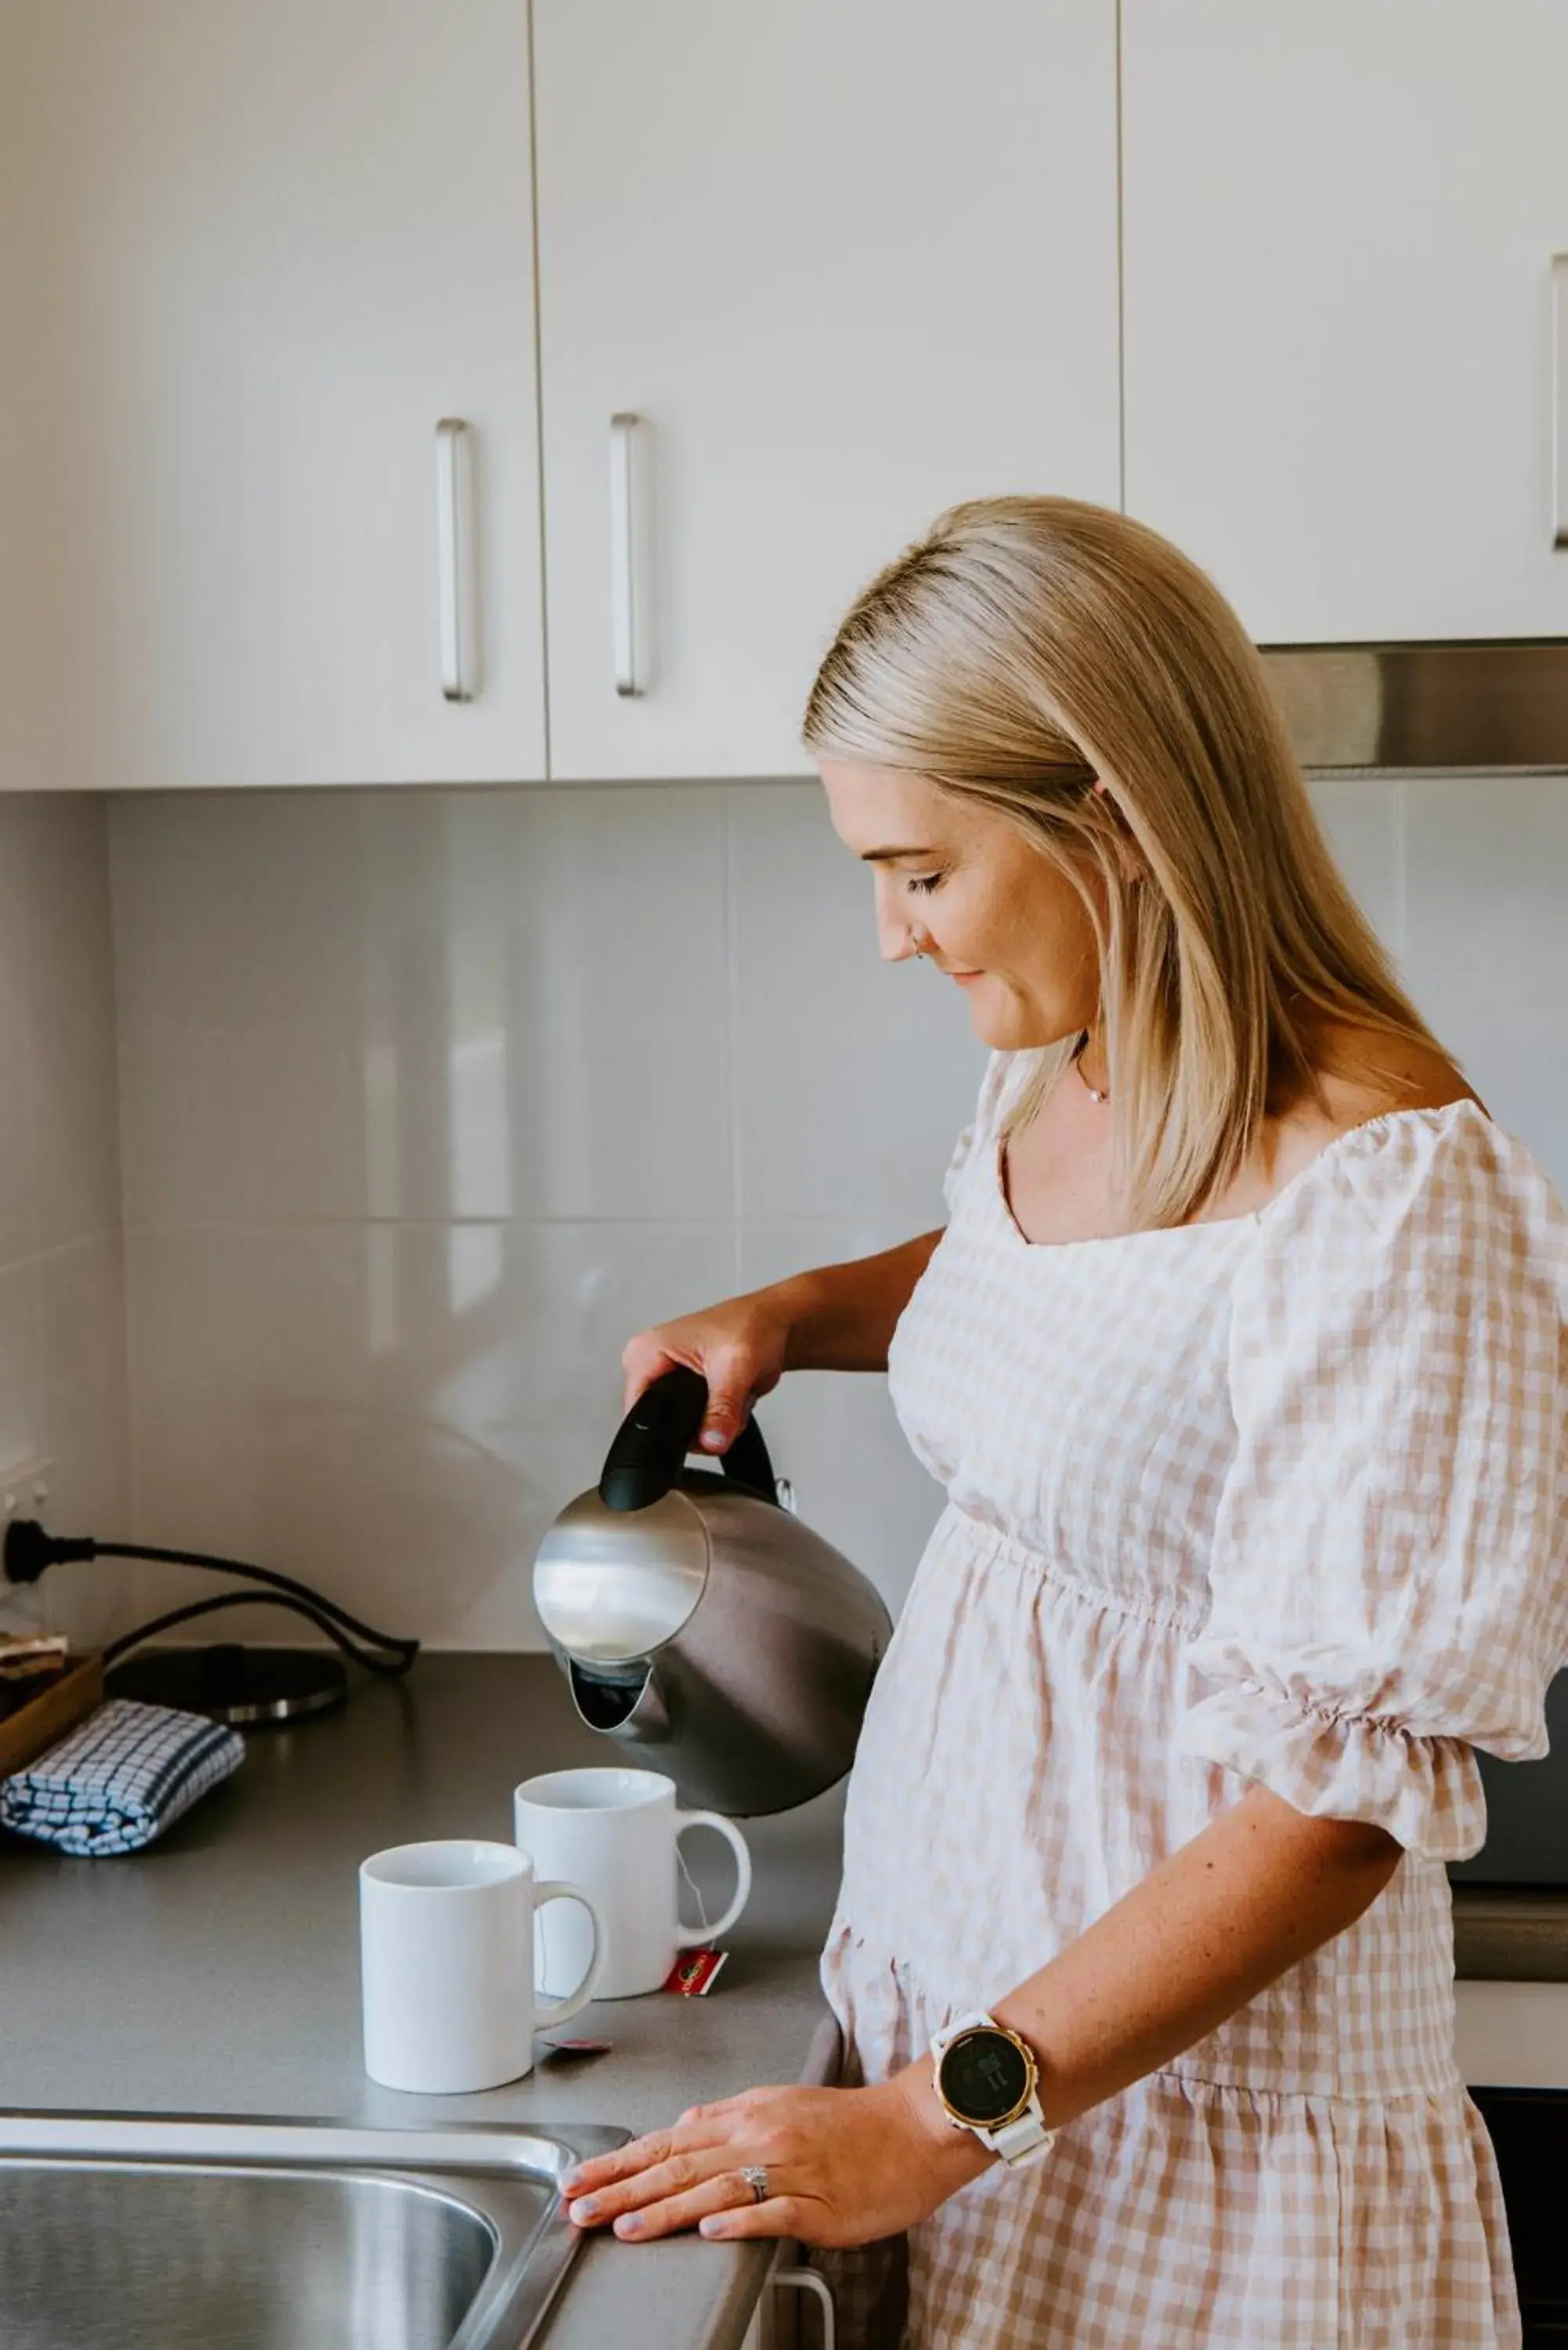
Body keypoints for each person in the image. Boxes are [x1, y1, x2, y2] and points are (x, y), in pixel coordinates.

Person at [559, 497, 1568, 2348]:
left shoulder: (1394, 1190)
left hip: (1168, 2135)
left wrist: (938, 2125)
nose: (889, 932)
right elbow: (1059, 1287)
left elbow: (1334, 1811)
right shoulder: (1081, 1055)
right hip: (963, 2042)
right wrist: (795, 1313)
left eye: (921, 870)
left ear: (1110, 821)